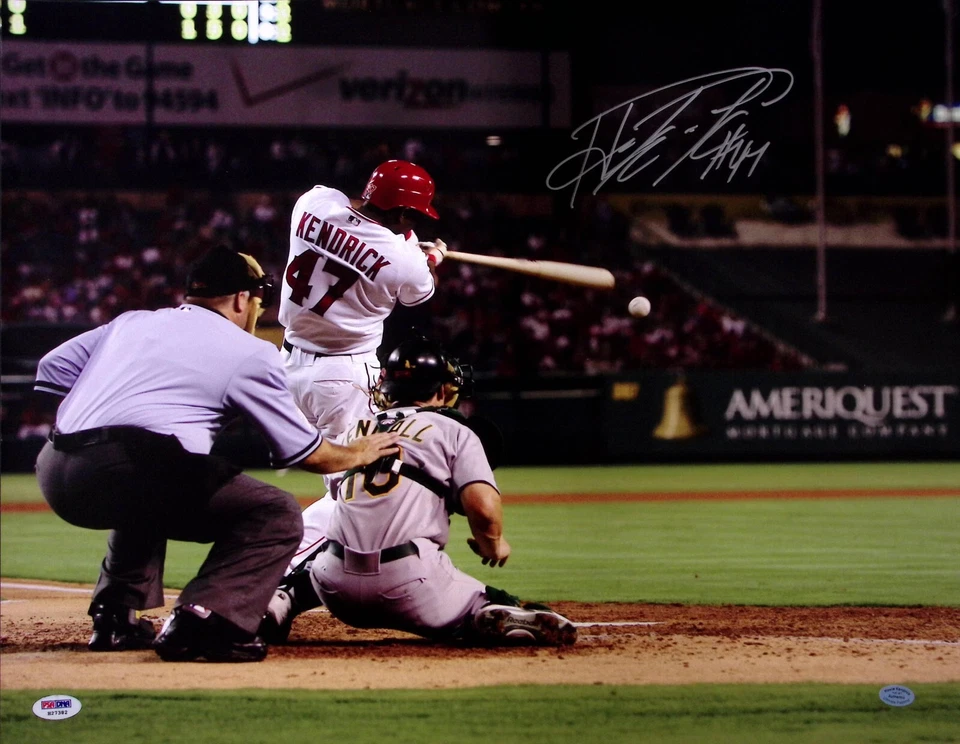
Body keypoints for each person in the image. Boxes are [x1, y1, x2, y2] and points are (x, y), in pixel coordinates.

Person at [33, 245, 399, 663]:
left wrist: (101, 409)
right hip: (130, 465)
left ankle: (114, 616)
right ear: (242, 298)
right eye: (259, 300)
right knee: (275, 512)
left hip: (54, 463)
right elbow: (309, 454)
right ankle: (205, 618)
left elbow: (52, 368)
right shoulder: (251, 352)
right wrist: (359, 450)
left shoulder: (132, 323)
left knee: (148, 493)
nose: (258, 311)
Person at [259, 336, 577, 647]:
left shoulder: (357, 429)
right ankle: (482, 612)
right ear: (441, 390)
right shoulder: (454, 428)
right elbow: (482, 508)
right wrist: (493, 543)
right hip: (408, 584)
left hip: (335, 585)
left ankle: (279, 601)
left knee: (325, 557)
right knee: (484, 603)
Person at [277, 159, 448, 571]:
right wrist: (431, 258)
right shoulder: (403, 259)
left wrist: (408, 240)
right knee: (353, 490)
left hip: (284, 368)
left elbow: (358, 219)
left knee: (347, 488)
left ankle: (313, 571)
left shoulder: (312, 204)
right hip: (342, 377)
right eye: (413, 214)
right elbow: (418, 292)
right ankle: (278, 569)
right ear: (405, 213)